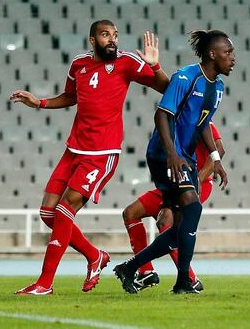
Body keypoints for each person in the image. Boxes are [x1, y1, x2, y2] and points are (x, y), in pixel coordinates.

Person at [10, 23, 170, 295]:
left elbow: (166, 88)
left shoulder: (127, 62)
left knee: (64, 210)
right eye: (106, 35)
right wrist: (40, 103)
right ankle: (95, 255)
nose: (113, 40)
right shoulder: (78, 65)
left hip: (101, 153)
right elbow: (71, 97)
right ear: (92, 39)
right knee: (48, 213)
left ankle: (45, 283)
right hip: (73, 149)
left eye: (116, 35)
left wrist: (154, 66)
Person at [115, 30, 232, 294]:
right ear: (213, 54)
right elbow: (161, 115)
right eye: (228, 53)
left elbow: (203, 124)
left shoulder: (218, 87)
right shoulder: (185, 77)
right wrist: (172, 154)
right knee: (192, 208)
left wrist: (215, 159)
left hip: (183, 157)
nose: (233, 58)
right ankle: (183, 282)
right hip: (163, 153)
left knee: (179, 227)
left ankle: (130, 267)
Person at [122, 121, 225, 292]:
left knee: (167, 223)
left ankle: (190, 279)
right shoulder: (171, 120)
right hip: (174, 181)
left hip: (194, 184)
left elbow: (219, 148)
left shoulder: (195, 114)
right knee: (130, 213)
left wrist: (198, 179)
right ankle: (145, 272)